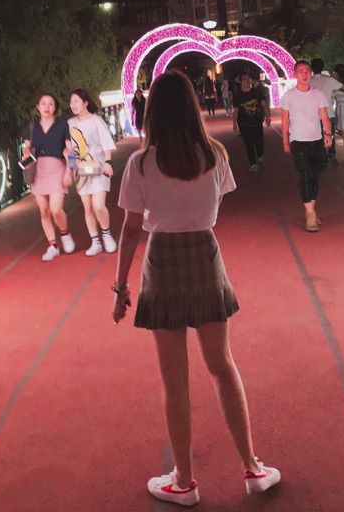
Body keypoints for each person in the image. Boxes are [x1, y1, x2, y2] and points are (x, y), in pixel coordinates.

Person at [112, 70, 281, 507]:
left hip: (162, 262)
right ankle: (252, 468)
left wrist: (120, 286)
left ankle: (184, 481)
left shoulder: (141, 163)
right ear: (192, 107)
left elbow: (130, 229)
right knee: (222, 365)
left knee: (175, 380)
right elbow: (214, 208)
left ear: (152, 112)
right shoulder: (215, 154)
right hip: (205, 255)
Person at [23, 93, 76, 261]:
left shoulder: (62, 125)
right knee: (44, 211)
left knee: (56, 209)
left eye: (51, 104)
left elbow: (70, 150)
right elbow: (26, 147)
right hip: (38, 171)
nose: (47, 107)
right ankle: (53, 245)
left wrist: (69, 171)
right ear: (38, 107)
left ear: (55, 107)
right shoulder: (32, 127)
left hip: (57, 169)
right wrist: (26, 152)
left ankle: (65, 233)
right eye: (43, 104)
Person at [281, 61, 332, 232]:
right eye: (301, 71)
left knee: (315, 177)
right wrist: (285, 140)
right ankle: (310, 214)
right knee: (305, 175)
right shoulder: (289, 96)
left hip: (316, 140)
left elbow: (324, 116)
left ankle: (311, 210)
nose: (304, 74)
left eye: (307, 71)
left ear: (310, 74)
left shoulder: (318, 94)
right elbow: (285, 119)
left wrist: (328, 134)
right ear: (295, 74)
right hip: (298, 140)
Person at [68, 88, 118, 256]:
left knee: (98, 205)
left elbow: (106, 143)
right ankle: (95, 241)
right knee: (87, 207)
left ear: (85, 103)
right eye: (71, 102)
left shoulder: (96, 121)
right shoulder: (70, 124)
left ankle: (106, 234)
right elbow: (69, 149)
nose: (73, 105)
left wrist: (108, 162)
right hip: (81, 170)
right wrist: (71, 167)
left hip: (99, 167)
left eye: (76, 101)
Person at [232, 72, 271, 171]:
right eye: (245, 79)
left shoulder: (256, 92)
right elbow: (236, 110)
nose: (247, 81)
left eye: (249, 79)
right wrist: (234, 123)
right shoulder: (237, 95)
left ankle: (260, 154)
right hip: (244, 123)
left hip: (257, 122)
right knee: (249, 144)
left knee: (259, 142)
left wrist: (268, 117)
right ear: (241, 82)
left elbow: (264, 105)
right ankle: (253, 163)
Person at [310, 58, 341, 165]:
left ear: (311, 68)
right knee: (330, 134)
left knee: (319, 137)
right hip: (328, 112)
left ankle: (323, 158)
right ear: (322, 67)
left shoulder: (308, 81)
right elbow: (343, 87)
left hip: (314, 114)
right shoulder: (329, 80)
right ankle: (331, 154)